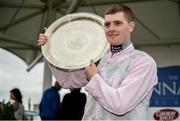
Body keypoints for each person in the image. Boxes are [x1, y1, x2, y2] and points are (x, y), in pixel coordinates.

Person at [38, 4, 158, 120]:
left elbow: (120, 105)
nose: (111, 29)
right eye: (107, 24)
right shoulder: (98, 58)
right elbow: (66, 80)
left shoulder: (143, 62)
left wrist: (94, 78)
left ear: (131, 26)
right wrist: (50, 50)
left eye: (117, 23)